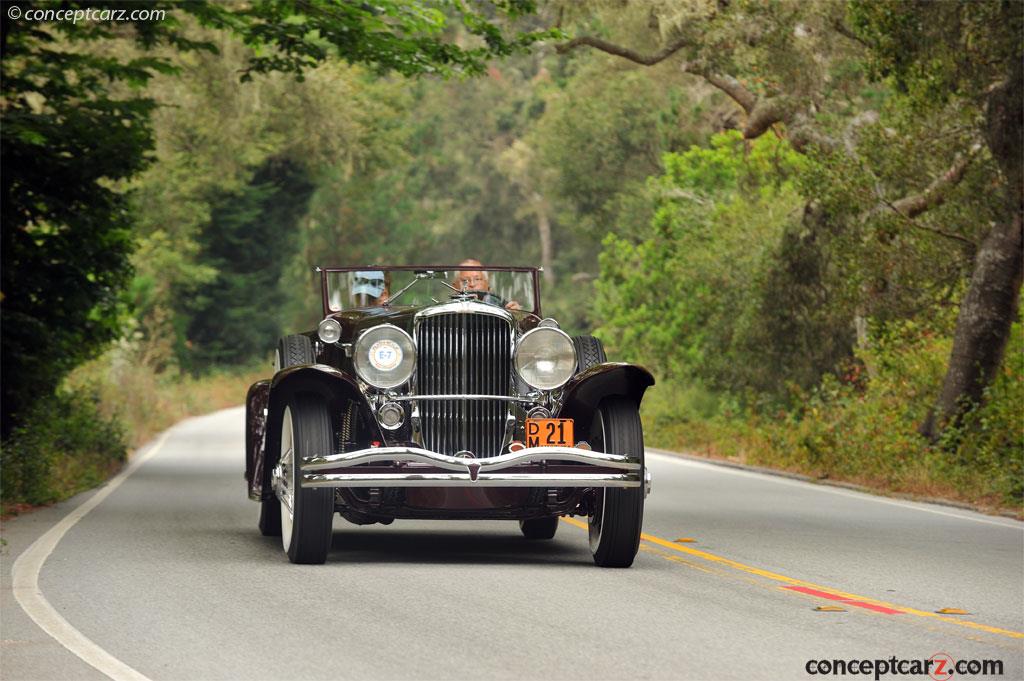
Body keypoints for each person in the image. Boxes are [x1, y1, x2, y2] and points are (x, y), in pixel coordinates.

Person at [455, 259, 521, 310]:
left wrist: (517, 317)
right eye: (464, 280)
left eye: (477, 279)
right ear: (455, 286)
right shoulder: (447, 309)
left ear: (487, 285)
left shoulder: (503, 308)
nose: (472, 284)